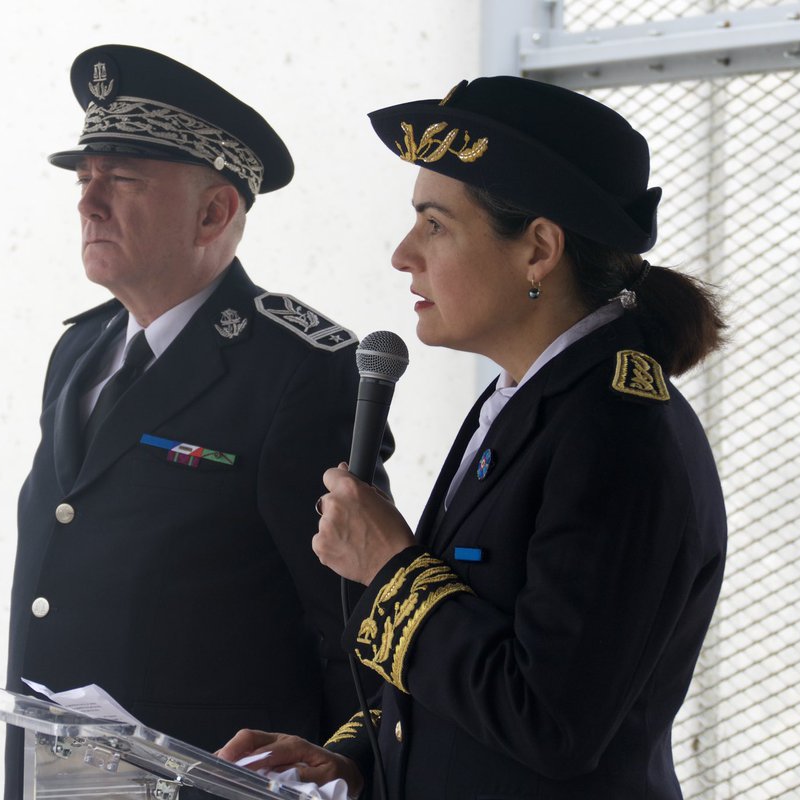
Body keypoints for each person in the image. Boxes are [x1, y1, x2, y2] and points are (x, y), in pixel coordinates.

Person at [218, 76, 727, 799]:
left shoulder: (615, 431)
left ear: (538, 250)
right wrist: (354, 757)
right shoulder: (528, 399)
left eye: (435, 225)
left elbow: (550, 720)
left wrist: (389, 567)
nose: (404, 254)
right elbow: (476, 657)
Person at [5, 45, 388, 797]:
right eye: (85, 179)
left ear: (215, 211)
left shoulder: (302, 370)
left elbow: (349, 621)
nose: (88, 202)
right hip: (61, 777)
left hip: (205, 781)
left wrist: (353, 768)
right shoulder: (80, 349)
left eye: (121, 181)